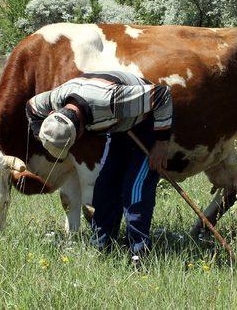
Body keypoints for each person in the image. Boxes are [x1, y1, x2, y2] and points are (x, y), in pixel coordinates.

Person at [25, 71, 172, 255]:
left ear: (79, 133)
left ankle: (139, 254)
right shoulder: (54, 99)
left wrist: (161, 143)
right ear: (53, 113)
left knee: (134, 191)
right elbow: (31, 106)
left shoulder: (112, 101)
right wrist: (40, 133)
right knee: (103, 190)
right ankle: (103, 250)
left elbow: (162, 95)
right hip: (116, 125)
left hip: (144, 121)